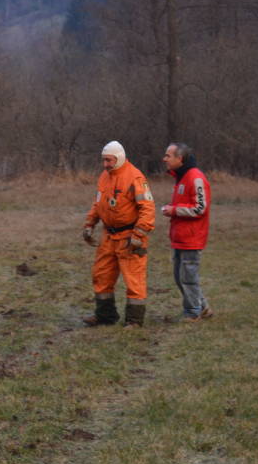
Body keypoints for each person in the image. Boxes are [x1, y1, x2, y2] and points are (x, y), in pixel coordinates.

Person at [81, 140, 155, 327]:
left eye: (109, 161)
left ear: (119, 158)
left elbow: (147, 208)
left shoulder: (135, 177)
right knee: (101, 275)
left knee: (134, 280)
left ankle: (134, 320)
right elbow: (98, 204)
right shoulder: (104, 177)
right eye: (104, 160)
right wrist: (90, 224)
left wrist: (138, 234)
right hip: (108, 236)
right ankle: (105, 316)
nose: (106, 165)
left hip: (129, 237)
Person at [161, 142, 213, 322]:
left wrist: (174, 210)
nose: (164, 159)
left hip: (192, 238)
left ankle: (192, 312)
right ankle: (203, 307)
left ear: (179, 159)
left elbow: (200, 208)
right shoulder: (181, 178)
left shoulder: (195, 178)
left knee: (188, 278)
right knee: (179, 277)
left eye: (168, 156)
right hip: (180, 237)